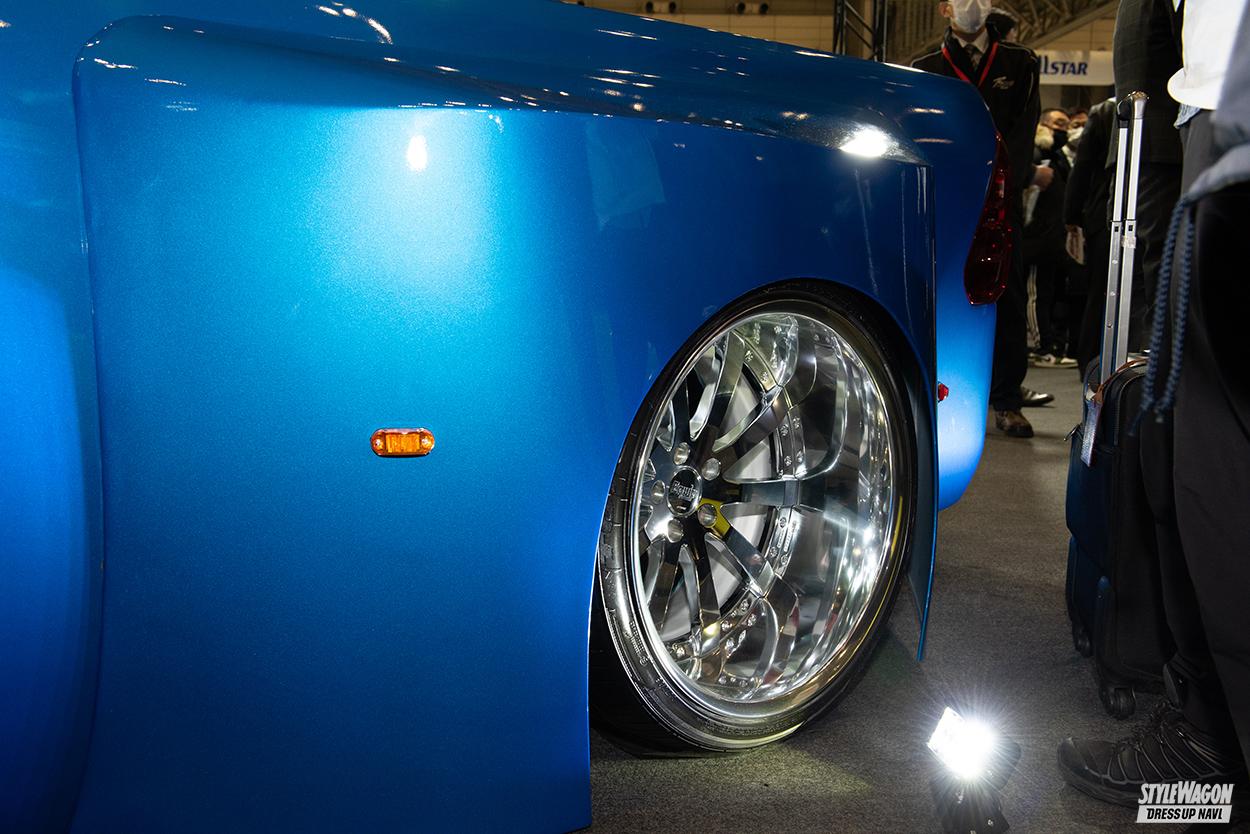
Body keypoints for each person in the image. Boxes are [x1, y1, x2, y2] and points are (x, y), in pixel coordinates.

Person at [1058, 0, 1250, 806]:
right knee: (1186, 437)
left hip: (1233, 118)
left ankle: (1213, 738)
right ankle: (1209, 726)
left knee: (1213, 458)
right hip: (1215, 112)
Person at [913, 0, 1044, 437]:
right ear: (943, 9)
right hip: (948, 200)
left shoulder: (1020, 63)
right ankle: (934, 395)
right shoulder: (927, 67)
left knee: (1007, 294)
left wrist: (1003, 182)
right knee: (942, 295)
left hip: (1000, 198)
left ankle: (1007, 400)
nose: (972, 5)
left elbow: (1024, 132)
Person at [1110, 0, 1184, 348]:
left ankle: (1142, 360)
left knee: (1138, 266)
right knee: (1164, 262)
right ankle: (1162, 361)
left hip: (1136, 145)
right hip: (1167, 145)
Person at [1064, 98, 1117, 378]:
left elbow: (1082, 169)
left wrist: (1071, 216)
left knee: (1099, 292)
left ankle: (1090, 363)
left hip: (1102, 213)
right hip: (1137, 208)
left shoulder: (1105, 111)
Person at [1024, 108, 1079, 368]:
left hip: (1051, 240)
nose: (1064, 129)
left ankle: (1049, 344)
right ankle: (1040, 346)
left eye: (1066, 124)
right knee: (1036, 295)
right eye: (1058, 123)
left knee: (1048, 294)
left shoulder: (1057, 159)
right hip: (1036, 240)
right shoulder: (1036, 155)